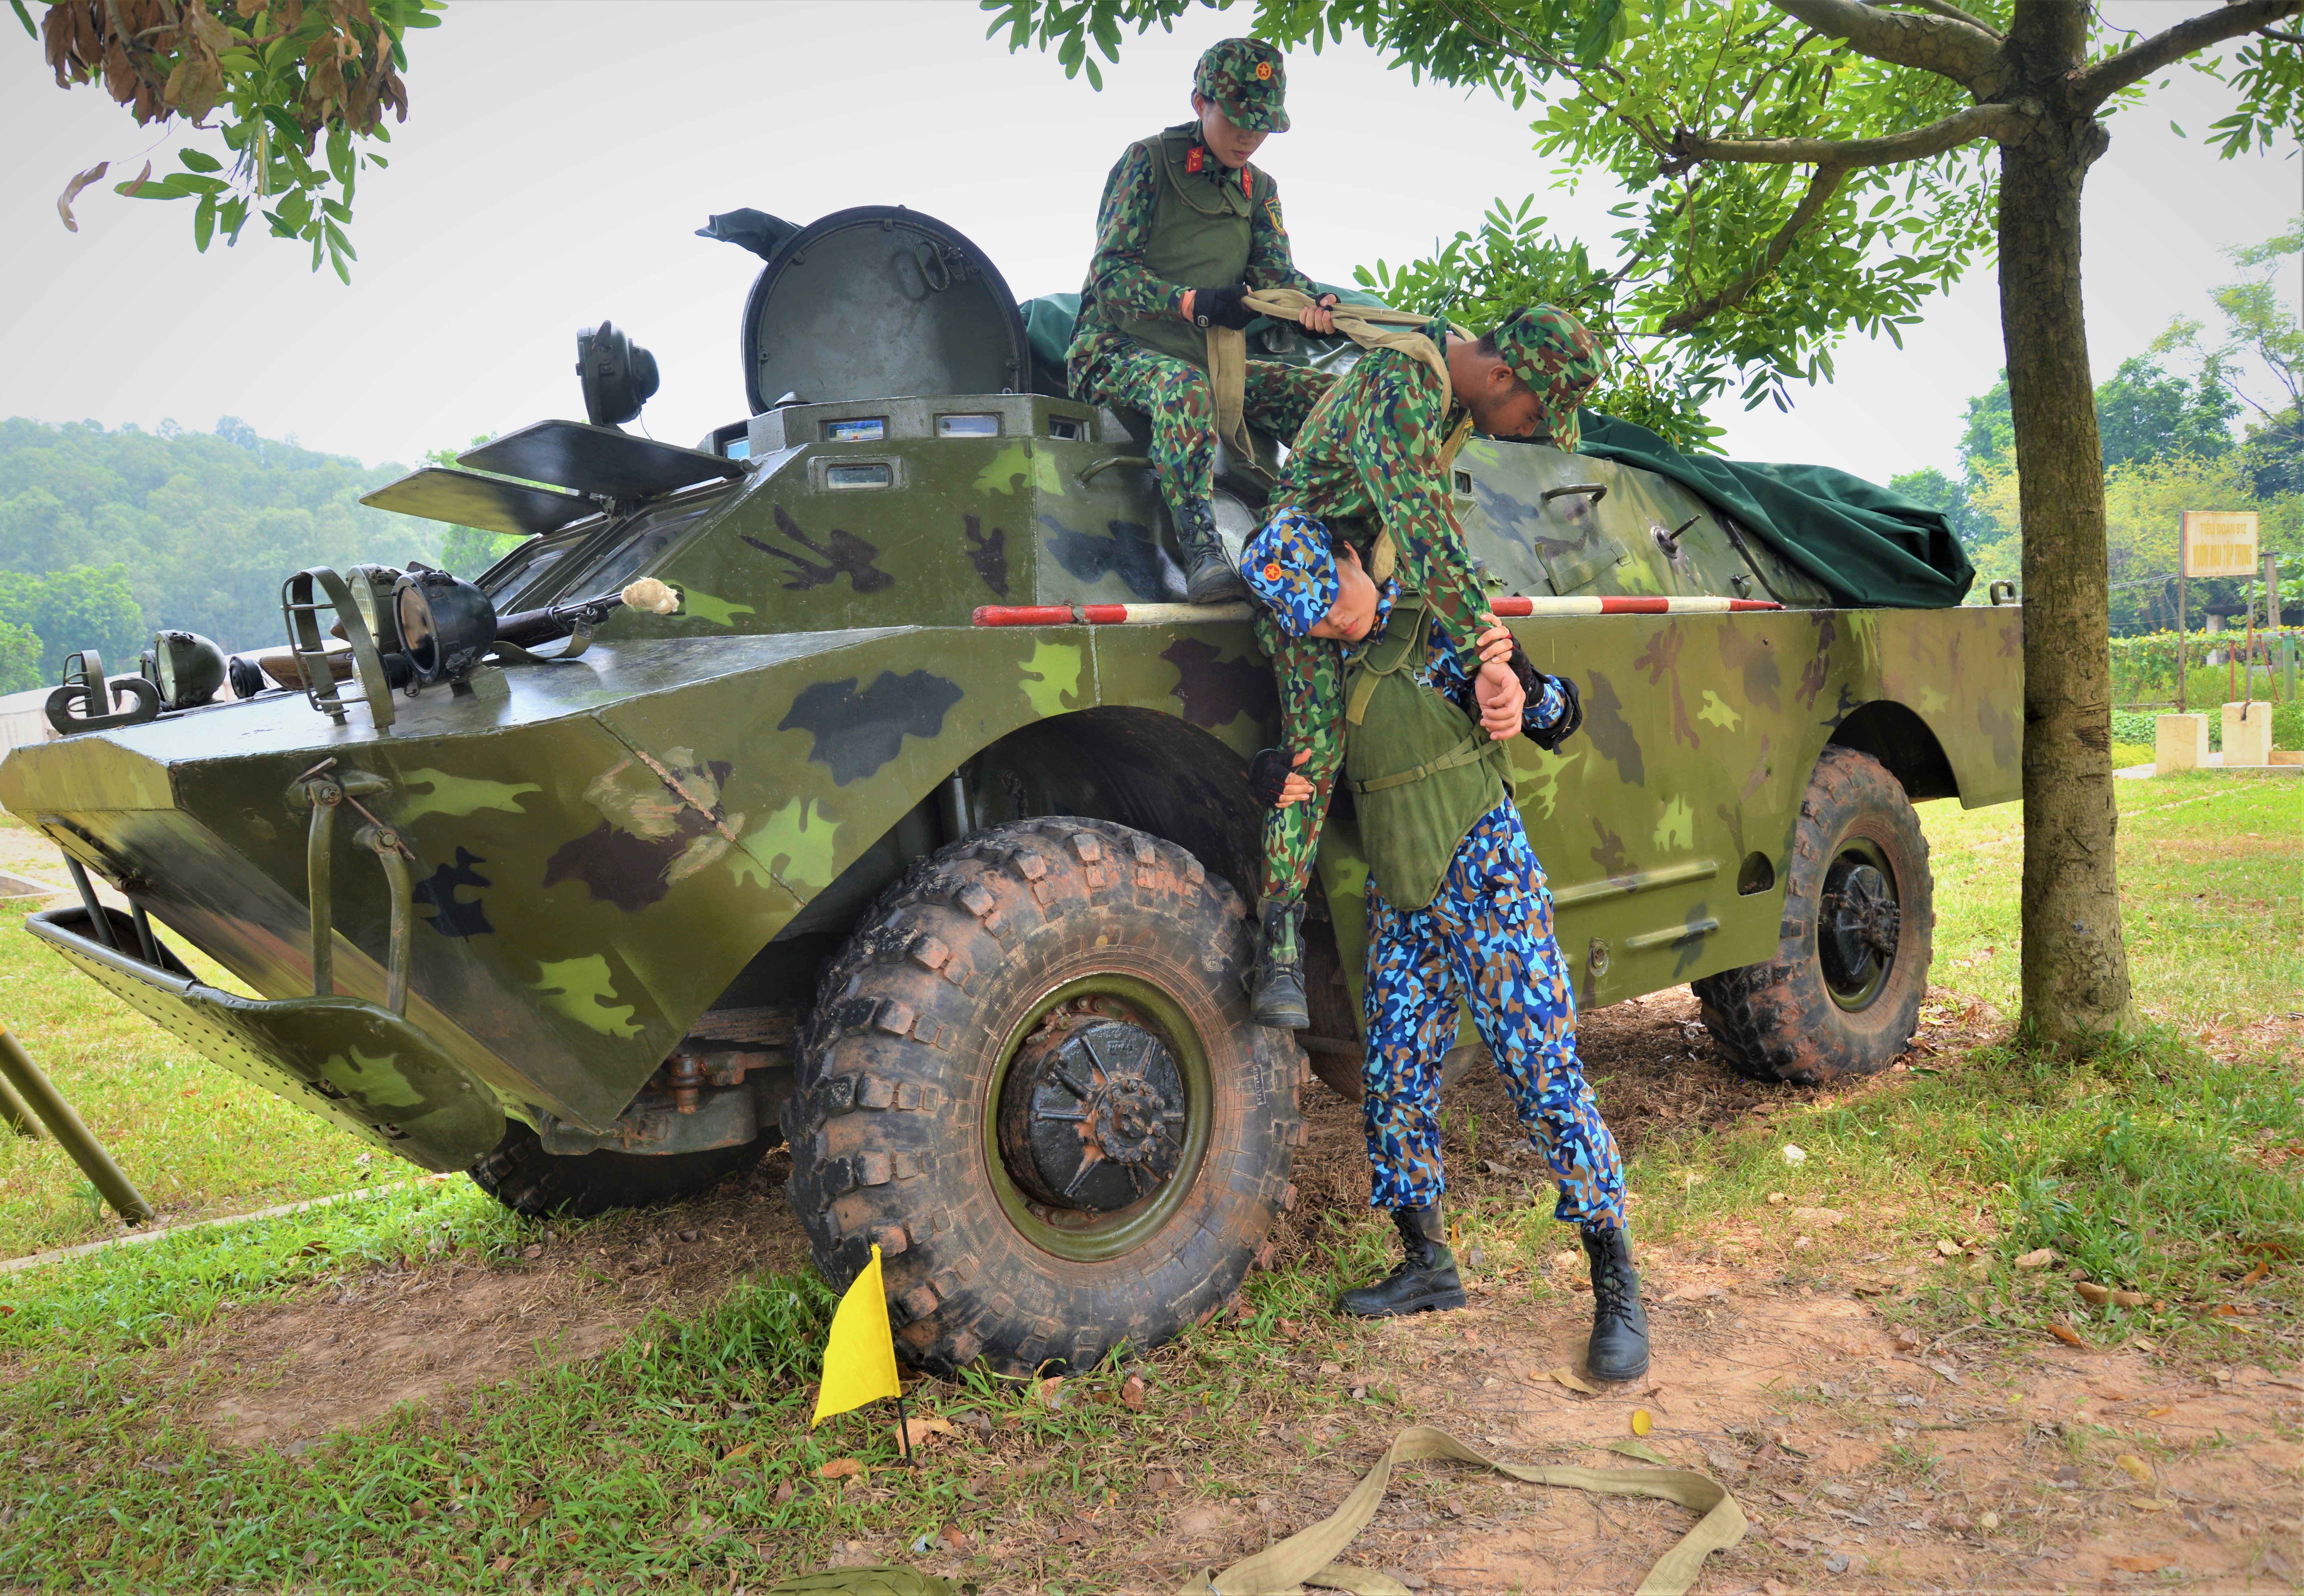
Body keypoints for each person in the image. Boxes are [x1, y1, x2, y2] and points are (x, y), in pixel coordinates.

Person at [1259, 528, 1650, 1383]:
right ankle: (1428, 1266)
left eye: (1332, 598)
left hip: (1489, 884)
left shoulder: (1439, 630)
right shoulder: (1323, 678)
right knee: (1393, 1083)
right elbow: (1311, 774)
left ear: (1357, 560)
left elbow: (1554, 718)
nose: (1328, 623)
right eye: (1310, 622)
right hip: (1405, 906)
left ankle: (1614, 1281)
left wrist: (1521, 691)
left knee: (1543, 1078)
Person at [1234, 304, 1601, 1029]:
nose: (1530, 431)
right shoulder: (1407, 383)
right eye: (1533, 414)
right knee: (1317, 742)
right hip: (1310, 568)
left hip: (1377, 571)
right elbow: (1422, 525)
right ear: (1500, 375)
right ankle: (1276, 945)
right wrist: (1481, 649)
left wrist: (1501, 666)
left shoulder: (1448, 392)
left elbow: (1426, 536)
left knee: (1456, 683)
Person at [1067, 37, 1342, 603]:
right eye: (1239, 120)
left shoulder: (1260, 191)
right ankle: (1202, 548)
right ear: (1200, 103)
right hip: (1115, 350)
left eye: (1262, 125)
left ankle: (1319, 531)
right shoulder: (1149, 162)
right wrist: (1191, 302)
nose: (1249, 136)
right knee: (1184, 389)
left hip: (1211, 362)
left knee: (1332, 396)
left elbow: (1276, 281)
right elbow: (1110, 277)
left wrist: (1319, 308)